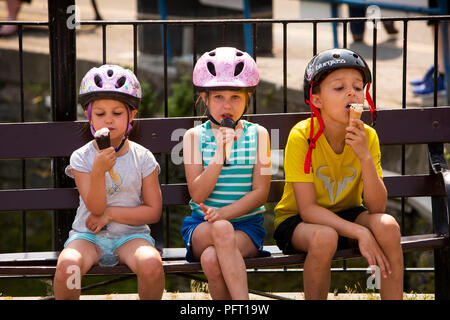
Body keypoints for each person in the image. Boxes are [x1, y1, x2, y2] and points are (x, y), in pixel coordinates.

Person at [273, 48, 404, 300]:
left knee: (388, 226)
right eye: (339, 87)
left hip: (347, 214)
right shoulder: (302, 136)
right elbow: (308, 209)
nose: (352, 92)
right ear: (317, 99)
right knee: (324, 237)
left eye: (358, 86)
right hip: (298, 221)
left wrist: (364, 156)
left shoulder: (369, 136)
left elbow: (377, 207)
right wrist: (360, 232)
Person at [53, 64, 165, 300]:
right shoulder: (81, 157)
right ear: (89, 116)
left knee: (151, 265)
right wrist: (98, 171)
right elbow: (94, 208)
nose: (108, 121)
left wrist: (110, 214)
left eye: (117, 113)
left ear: (131, 115)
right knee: (68, 268)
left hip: (132, 236)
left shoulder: (143, 158)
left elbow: (153, 212)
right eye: (100, 114)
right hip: (88, 236)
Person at [181, 47, 272, 300]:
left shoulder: (260, 135)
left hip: (246, 227)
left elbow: (261, 193)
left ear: (247, 98)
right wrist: (220, 152)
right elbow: (198, 193)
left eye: (236, 97)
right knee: (220, 230)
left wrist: (224, 214)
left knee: (212, 258)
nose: (227, 106)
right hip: (202, 226)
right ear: (205, 98)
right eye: (218, 96)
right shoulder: (192, 138)